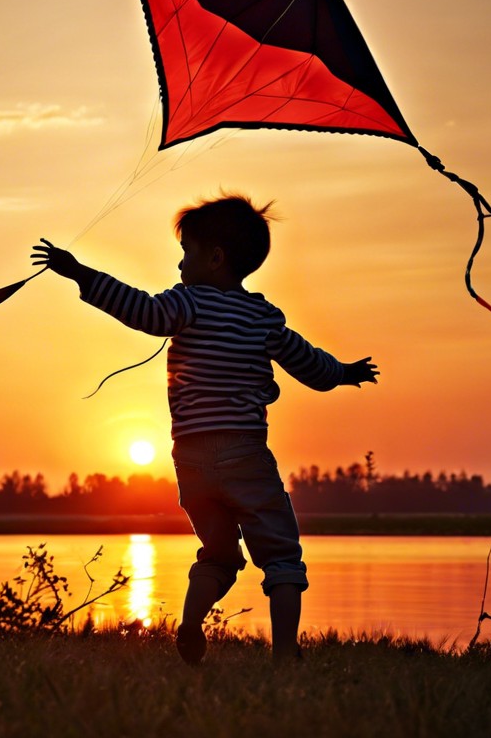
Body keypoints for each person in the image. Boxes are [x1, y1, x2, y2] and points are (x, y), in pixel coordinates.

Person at [31, 194, 378, 664]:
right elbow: (311, 366)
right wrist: (345, 372)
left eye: (187, 251)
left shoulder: (187, 304)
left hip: (190, 459)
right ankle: (284, 654)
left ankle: (192, 622)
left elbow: (140, 311)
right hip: (244, 454)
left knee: (217, 552)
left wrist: (81, 274)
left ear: (214, 258)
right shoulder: (262, 317)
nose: (180, 262)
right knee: (281, 555)